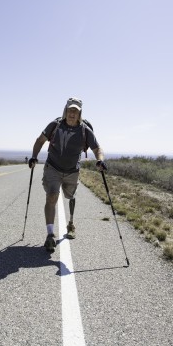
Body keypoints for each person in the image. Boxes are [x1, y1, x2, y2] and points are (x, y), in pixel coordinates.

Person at [28, 97, 107, 253]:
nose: (72, 113)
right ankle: (50, 235)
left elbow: (97, 149)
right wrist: (34, 156)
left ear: (80, 113)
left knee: (70, 196)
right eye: (70, 110)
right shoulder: (55, 125)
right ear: (65, 110)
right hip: (53, 167)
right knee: (52, 195)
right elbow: (40, 140)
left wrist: (100, 160)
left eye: (75, 111)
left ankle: (70, 223)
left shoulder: (85, 130)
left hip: (72, 171)